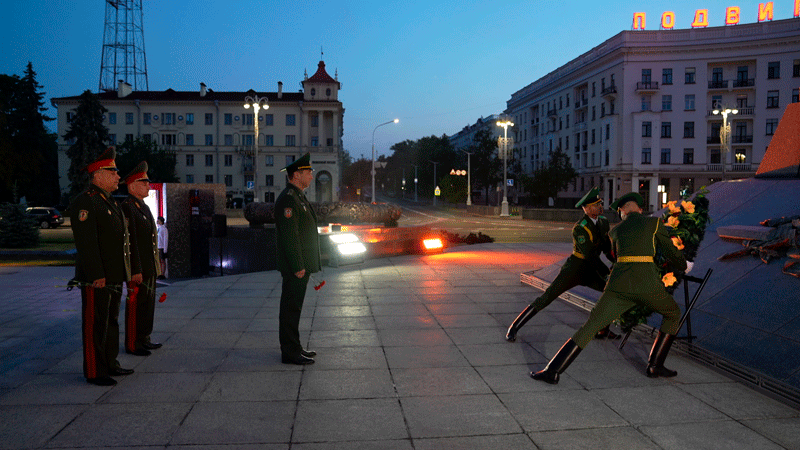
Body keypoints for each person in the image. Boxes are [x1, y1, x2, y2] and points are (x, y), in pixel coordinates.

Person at [531, 192, 692, 384]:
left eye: (619, 211)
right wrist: (683, 265)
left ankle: (553, 370)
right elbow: (671, 253)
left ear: (623, 211)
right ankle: (655, 365)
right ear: (640, 209)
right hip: (647, 285)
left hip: (618, 287)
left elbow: (615, 257)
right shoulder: (654, 224)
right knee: (673, 313)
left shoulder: (616, 231)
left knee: (590, 326)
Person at [506, 187, 618, 342]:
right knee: (547, 297)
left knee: (612, 292)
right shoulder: (580, 227)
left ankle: (602, 329)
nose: (601, 206)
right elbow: (591, 255)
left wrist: (617, 261)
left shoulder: (604, 222)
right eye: (597, 204)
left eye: (601, 203)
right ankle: (514, 327)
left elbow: (606, 247)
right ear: (588, 209)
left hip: (591, 270)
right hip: (574, 269)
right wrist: (607, 273)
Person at [69, 147, 134, 386]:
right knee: (95, 325)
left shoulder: (108, 202)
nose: (118, 176)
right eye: (113, 171)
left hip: (113, 275)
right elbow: (87, 243)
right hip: (97, 278)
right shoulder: (86, 203)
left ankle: (110, 363)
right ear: (98, 174)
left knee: (111, 322)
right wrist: (97, 274)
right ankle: (96, 371)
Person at [275, 153, 321, 365]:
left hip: (301, 265)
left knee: (295, 308)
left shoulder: (298, 196)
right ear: (296, 175)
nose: (311, 176)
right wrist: (298, 265)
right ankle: (290, 352)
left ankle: (295, 347)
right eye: (308, 172)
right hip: (296, 266)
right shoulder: (288, 198)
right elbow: (289, 236)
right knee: (290, 309)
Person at [121, 161, 163, 356]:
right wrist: (135, 269)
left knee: (148, 305)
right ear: (132, 186)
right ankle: (133, 343)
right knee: (136, 306)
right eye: (144, 182)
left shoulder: (143, 207)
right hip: (139, 268)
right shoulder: (128, 207)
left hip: (149, 267)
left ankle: (144, 337)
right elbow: (131, 242)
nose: (148, 185)